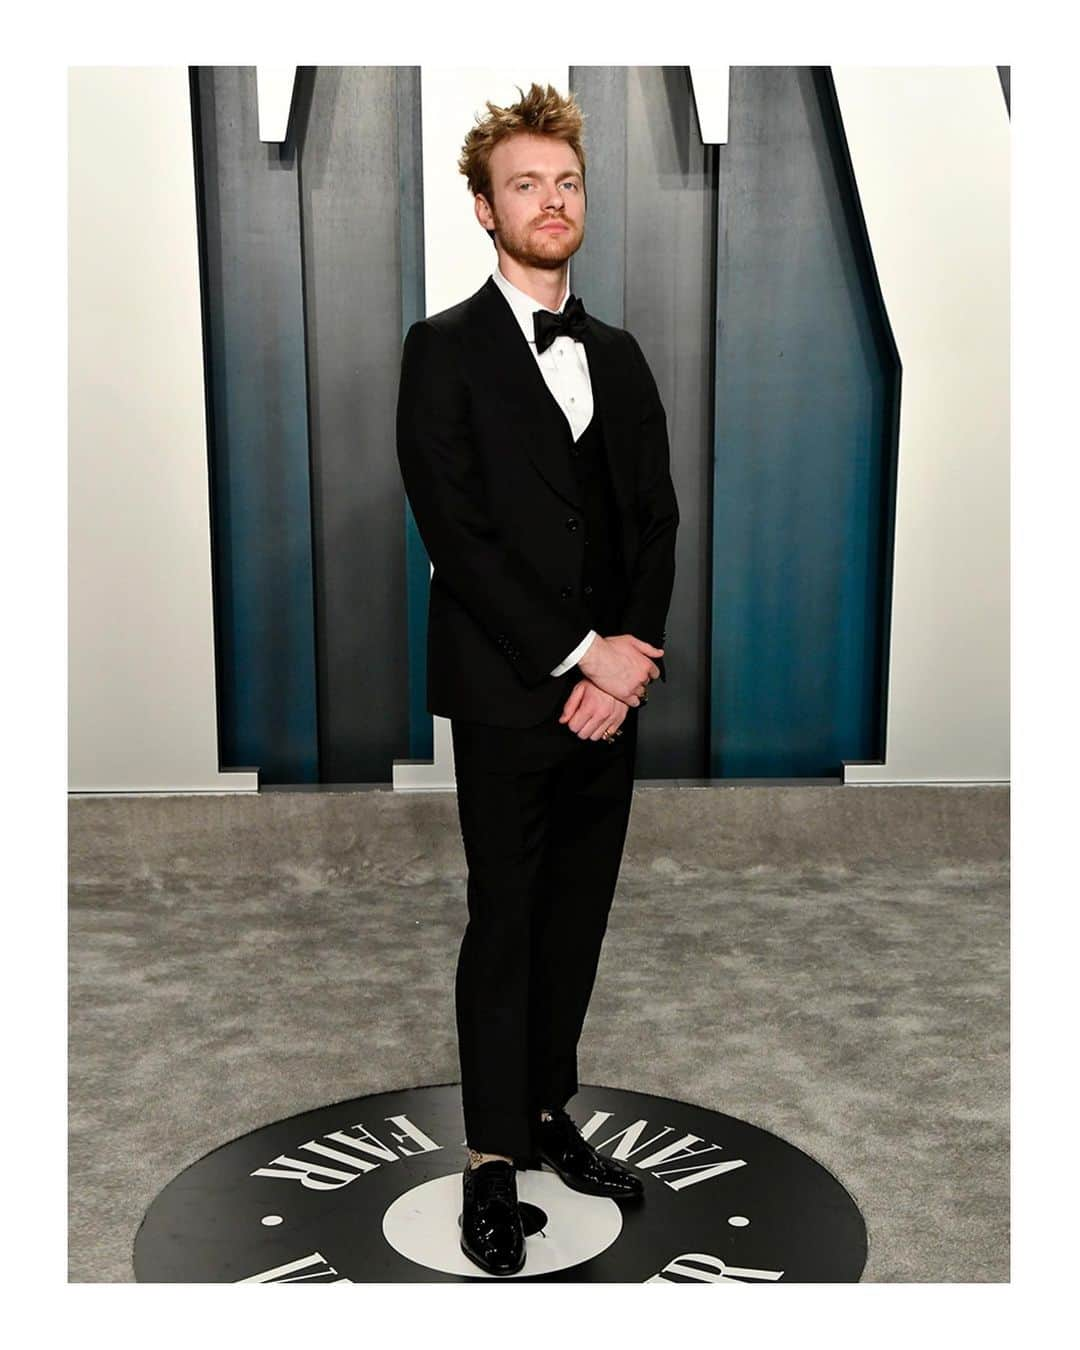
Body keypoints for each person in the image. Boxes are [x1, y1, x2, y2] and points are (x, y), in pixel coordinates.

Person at [396, 81, 679, 1277]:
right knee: (506, 920)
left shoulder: (615, 351)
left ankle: (547, 1107)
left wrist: (627, 665)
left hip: (609, 697)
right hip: (512, 687)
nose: (551, 202)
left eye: (565, 184)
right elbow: (459, 535)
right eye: (526, 185)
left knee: (578, 913)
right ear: (483, 208)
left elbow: (654, 523)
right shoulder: (442, 350)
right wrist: (576, 655)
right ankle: (490, 1159)